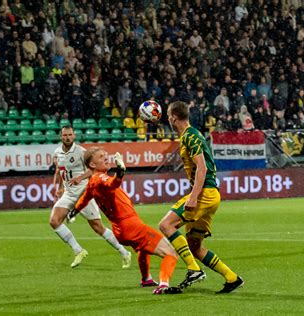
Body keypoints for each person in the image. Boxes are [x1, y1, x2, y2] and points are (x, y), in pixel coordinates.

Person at [68, 148, 181, 294]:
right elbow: (112, 184)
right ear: (92, 165)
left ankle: (146, 278)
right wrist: (121, 171)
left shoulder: (91, 183)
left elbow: (84, 199)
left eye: (105, 155)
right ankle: (163, 285)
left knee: (143, 248)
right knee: (171, 253)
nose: (106, 158)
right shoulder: (99, 178)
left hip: (120, 230)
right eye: (101, 156)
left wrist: (74, 211)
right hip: (130, 225)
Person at [158, 101, 244, 294]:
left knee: (166, 225)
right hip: (211, 195)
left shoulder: (190, 135)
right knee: (194, 246)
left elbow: (202, 168)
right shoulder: (188, 136)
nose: (167, 119)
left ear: (173, 117)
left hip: (204, 193)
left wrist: (193, 197)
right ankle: (231, 277)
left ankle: (194, 269)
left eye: (168, 115)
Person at [49, 126, 131, 268]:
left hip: (84, 192)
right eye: (64, 135)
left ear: (74, 136)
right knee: (54, 221)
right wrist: (61, 187)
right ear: (60, 136)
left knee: (98, 228)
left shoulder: (81, 152)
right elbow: (61, 171)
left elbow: (92, 169)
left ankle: (124, 252)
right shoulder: (57, 153)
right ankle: (78, 250)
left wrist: (80, 177)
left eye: (70, 135)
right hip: (69, 194)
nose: (67, 137)